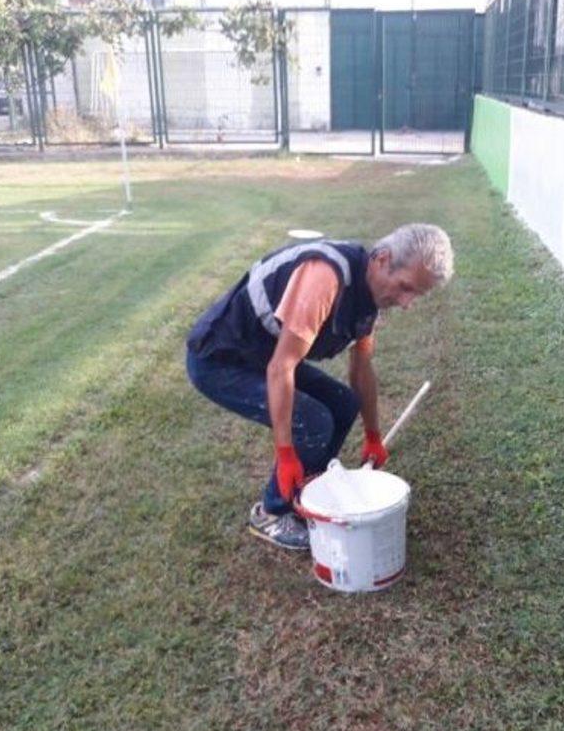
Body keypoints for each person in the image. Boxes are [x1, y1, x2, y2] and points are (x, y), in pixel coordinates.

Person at [186, 223, 454, 551]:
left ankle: (304, 492)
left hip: (263, 354)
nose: (407, 302)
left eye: (416, 295)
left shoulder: (371, 294)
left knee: (342, 404)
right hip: (220, 359)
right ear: (382, 259)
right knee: (312, 421)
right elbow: (281, 367)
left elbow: (361, 368)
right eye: (405, 288)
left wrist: (372, 434)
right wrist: (285, 454)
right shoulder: (324, 278)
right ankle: (271, 512)